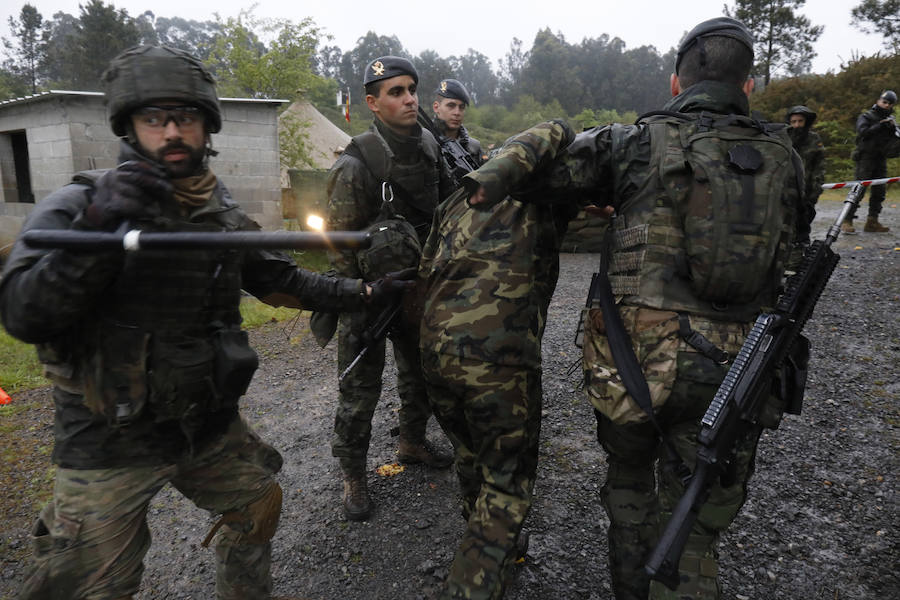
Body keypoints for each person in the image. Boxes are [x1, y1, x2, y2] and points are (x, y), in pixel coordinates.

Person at [0, 45, 407, 600]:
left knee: (258, 506)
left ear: (206, 125)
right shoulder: (81, 203)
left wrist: (365, 290)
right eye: (154, 118)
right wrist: (102, 227)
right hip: (107, 439)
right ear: (130, 126)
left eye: (185, 118)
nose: (171, 132)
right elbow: (25, 312)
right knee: (92, 585)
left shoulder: (218, 212)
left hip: (203, 425)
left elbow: (283, 281)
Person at [463, 17, 803, 600]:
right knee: (693, 525)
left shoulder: (633, 143)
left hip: (636, 363)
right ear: (749, 87)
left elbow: (534, 178)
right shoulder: (788, 158)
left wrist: (600, 181)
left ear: (676, 83)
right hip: (741, 366)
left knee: (629, 486)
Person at [418, 124, 578, 599]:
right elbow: (558, 129)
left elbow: (426, 272)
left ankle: (487, 539)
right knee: (507, 483)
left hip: (438, 354)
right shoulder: (543, 195)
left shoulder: (454, 204)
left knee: (470, 452)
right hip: (499, 362)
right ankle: (479, 571)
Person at [324, 55, 455, 522]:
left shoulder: (429, 147)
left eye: (411, 89)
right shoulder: (355, 163)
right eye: (395, 92)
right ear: (373, 103)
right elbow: (338, 243)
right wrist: (357, 296)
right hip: (368, 295)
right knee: (360, 387)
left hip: (417, 287)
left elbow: (442, 217)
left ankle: (412, 441)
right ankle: (354, 474)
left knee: (420, 374)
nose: (408, 99)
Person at [846, 89, 897, 233]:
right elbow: (862, 132)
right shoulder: (866, 116)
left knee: (879, 191)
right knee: (859, 189)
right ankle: (847, 220)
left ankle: (872, 222)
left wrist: (893, 129)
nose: (886, 105)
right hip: (865, 157)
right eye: (885, 102)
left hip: (880, 158)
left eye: (890, 103)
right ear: (878, 101)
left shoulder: (890, 120)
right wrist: (879, 125)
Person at [786, 105, 825, 243]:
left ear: (806, 122)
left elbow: (819, 168)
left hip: (806, 193)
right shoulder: (783, 139)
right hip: (786, 192)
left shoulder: (814, 140)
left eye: (800, 121)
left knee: (802, 231)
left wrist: (814, 193)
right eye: (793, 121)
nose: (797, 125)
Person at [432, 78, 483, 167]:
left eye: (461, 107)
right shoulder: (424, 142)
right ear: (436, 108)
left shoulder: (474, 147)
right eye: (451, 106)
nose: (457, 112)